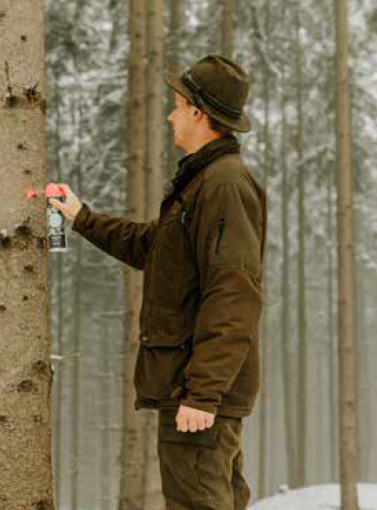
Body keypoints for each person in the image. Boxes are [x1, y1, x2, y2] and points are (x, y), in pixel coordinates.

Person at [50, 55, 267, 510]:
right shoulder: (202, 183)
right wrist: (81, 217)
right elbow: (153, 248)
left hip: (197, 396)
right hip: (192, 390)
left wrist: (203, 394)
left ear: (199, 114)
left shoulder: (223, 185)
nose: (170, 115)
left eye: (178, 105)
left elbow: (233, 295)